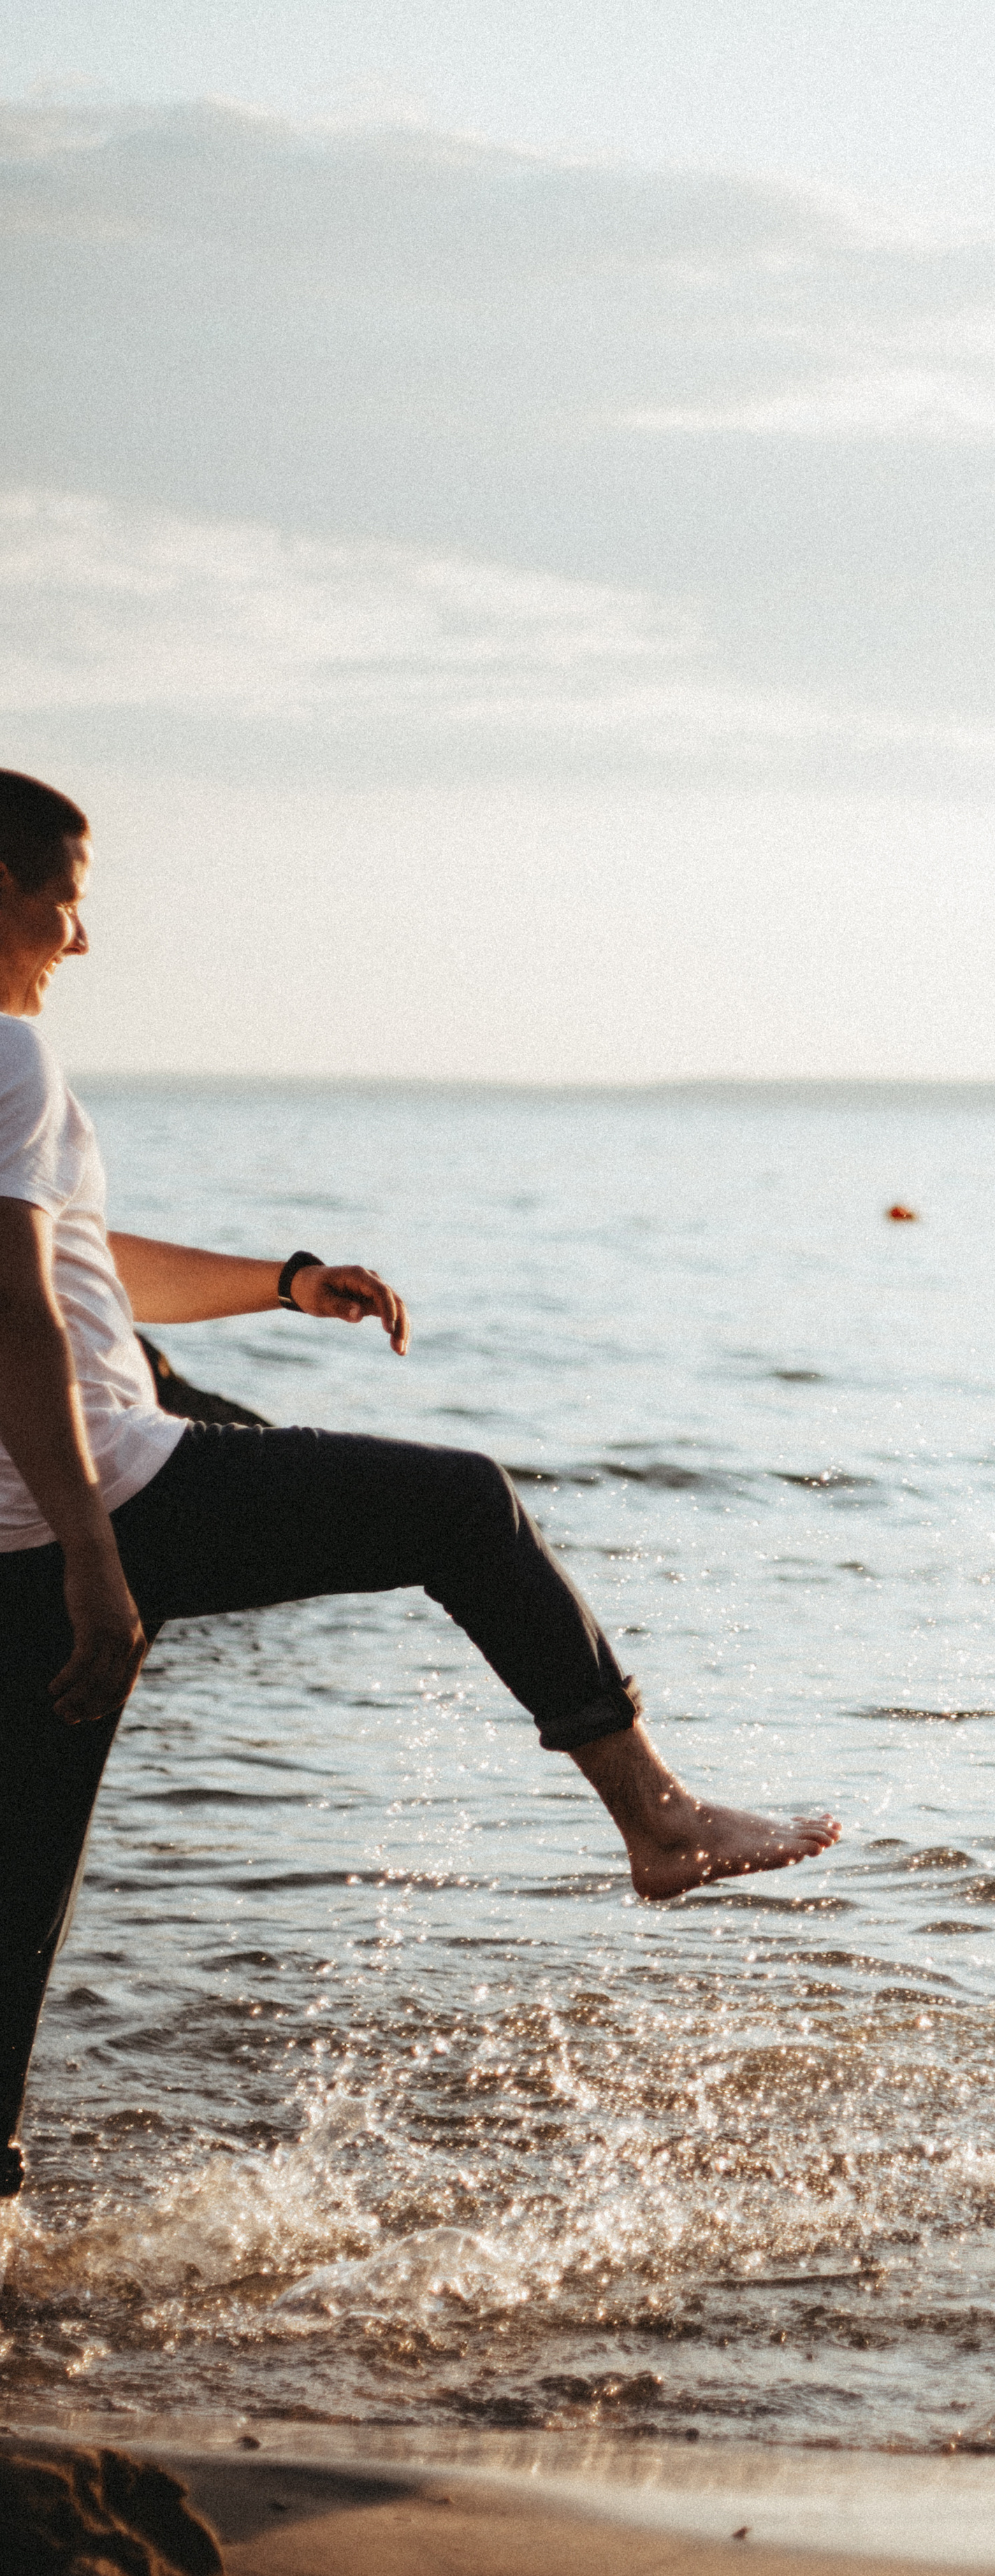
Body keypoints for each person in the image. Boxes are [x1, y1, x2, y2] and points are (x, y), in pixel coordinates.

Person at [0, 771, 839, 2201]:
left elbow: (85, 1258)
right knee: (461, 1502)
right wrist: (96, 1553)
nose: (83, 941)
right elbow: (19, 1307)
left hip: (21, 1530)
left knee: (17, 1912)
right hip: (97, 1498)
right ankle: (655, 1817)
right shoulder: (10, 1056)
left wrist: (277, 1284)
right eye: (68, 901)